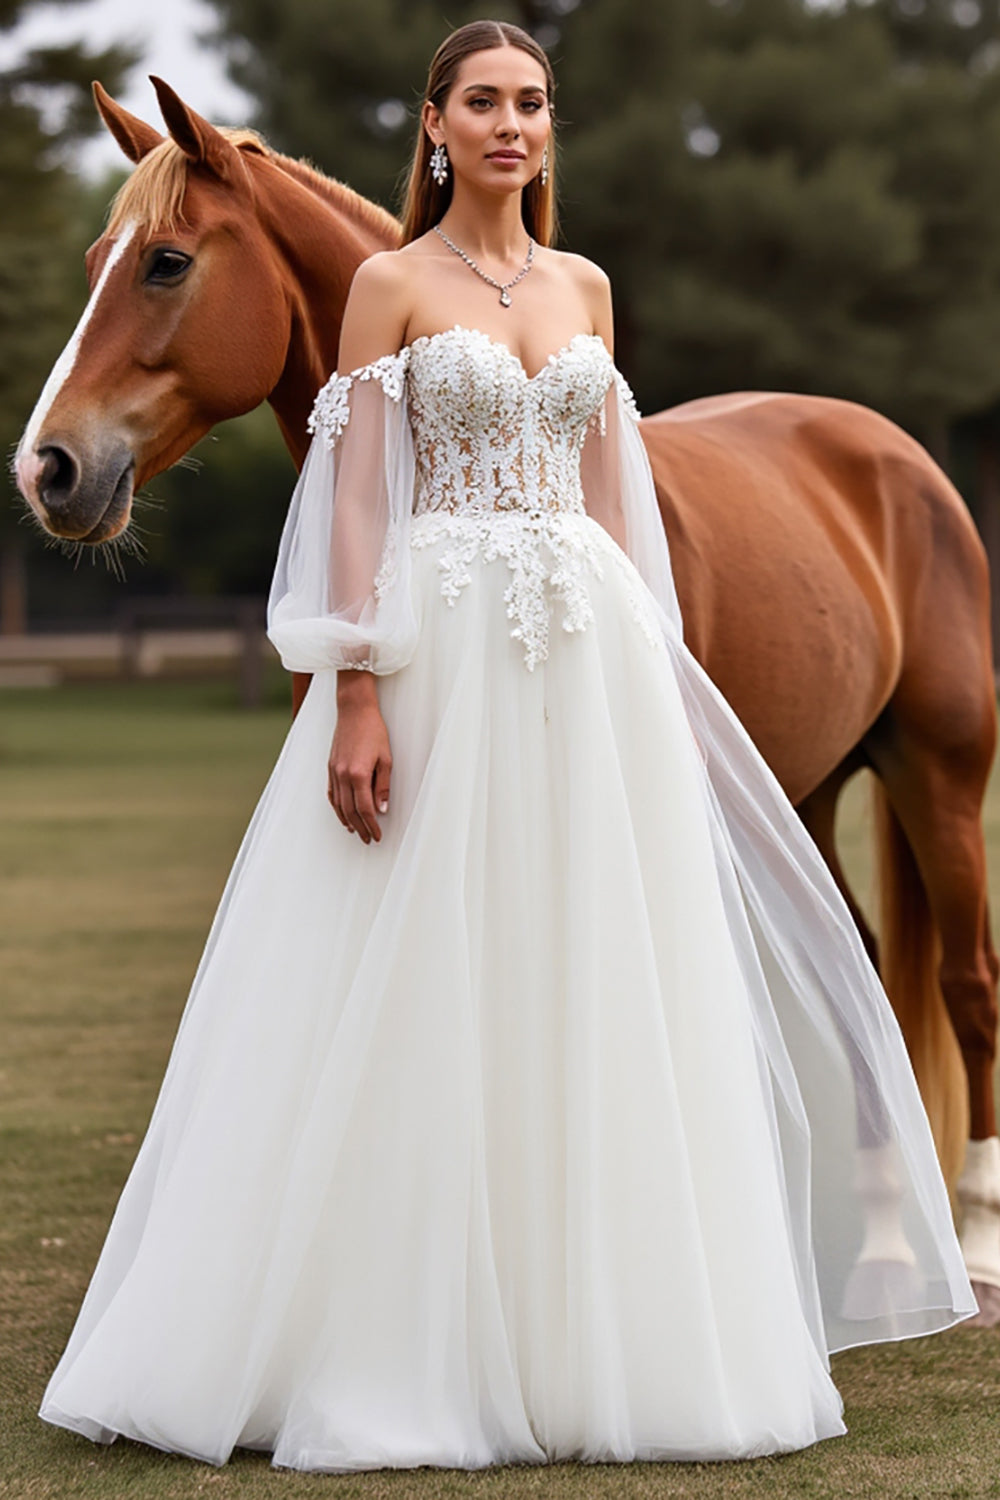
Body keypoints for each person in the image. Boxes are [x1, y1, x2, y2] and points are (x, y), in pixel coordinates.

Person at [39, 18, 975, 1474]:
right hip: (446, 639)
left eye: (532, 102)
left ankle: (603, 1321)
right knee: (424, 974)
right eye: (482, 101)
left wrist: (653, 681)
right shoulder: (391, 287)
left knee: (599, 983)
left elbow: (617, 501)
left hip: (587, 649)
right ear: (434, 126)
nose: (511, 126)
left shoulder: (586, 286)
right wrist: (353, 683)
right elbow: (353, 493)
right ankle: (398, 1328)